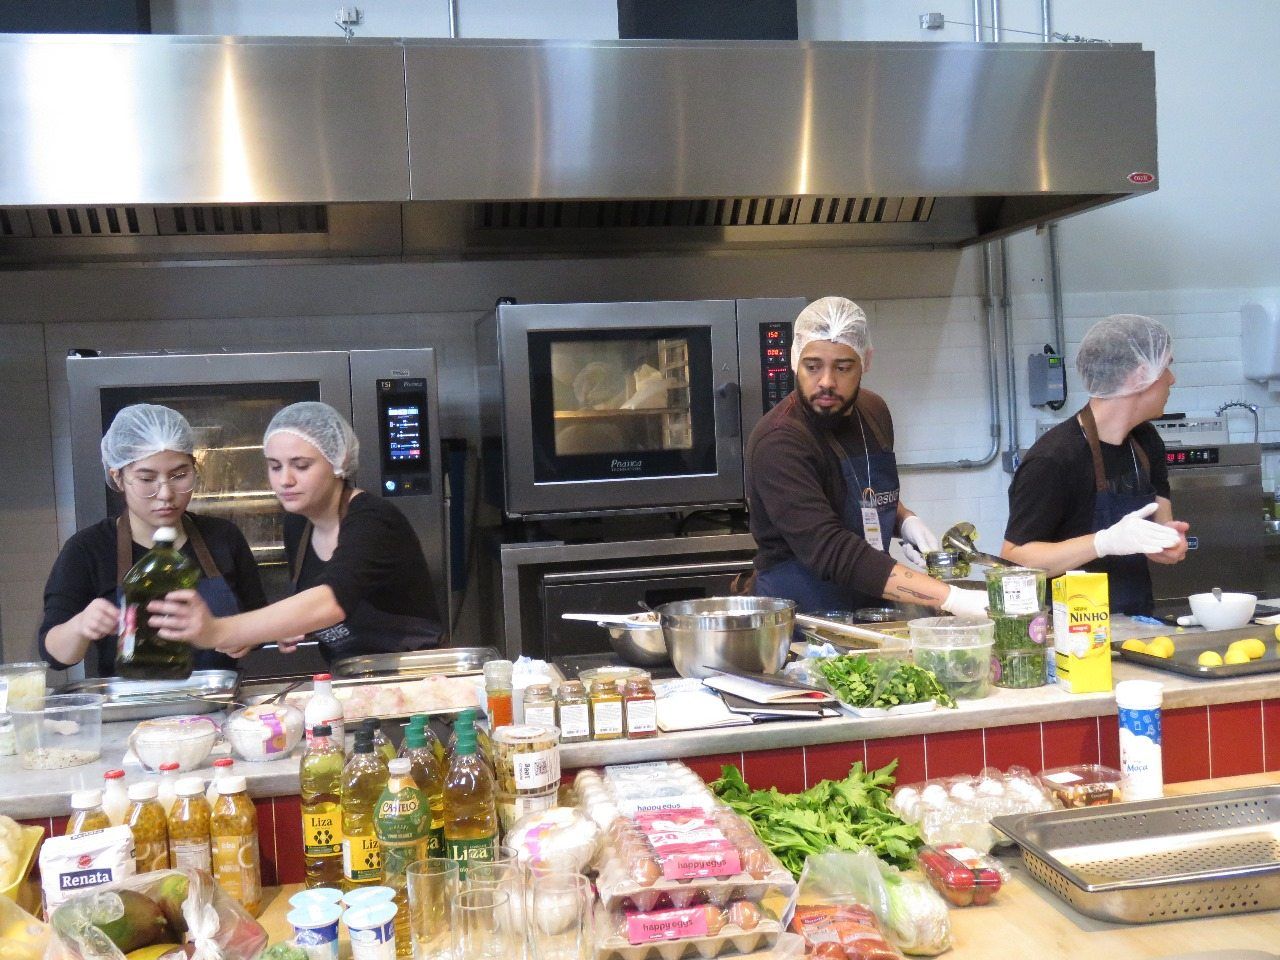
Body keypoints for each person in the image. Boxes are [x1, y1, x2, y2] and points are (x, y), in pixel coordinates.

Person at [746, 297, 989, 617]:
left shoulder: (874, 412)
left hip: (871, 605)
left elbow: (861, 491)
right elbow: (830, 549)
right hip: (802, 615)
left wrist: (905, 521)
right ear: (794, 361)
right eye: (813, 366)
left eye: (843, 367)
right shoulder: (780, 441)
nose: (827, 382)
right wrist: (950, 598)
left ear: (866, 361)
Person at [150, 401, 443, 662]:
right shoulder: (298, 524)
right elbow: (314, 605)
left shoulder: (373, 521)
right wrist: (283, 627)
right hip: (349, 675)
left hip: (410, 675)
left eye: (301, 466)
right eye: (275, 467)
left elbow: (331, 601)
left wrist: (219, 630)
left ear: (338, 462)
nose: (285, 480)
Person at [39, 404, 266, 676]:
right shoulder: (88, 549)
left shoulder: (223, 537)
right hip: (129, 700)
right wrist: (80, 625)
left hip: (215, 696)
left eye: (179, 476)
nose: (165, 494)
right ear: (118, 477)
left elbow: (259, 621)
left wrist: (244, 636)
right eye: (147, 479)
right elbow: (54, 655)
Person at [1001, 314, 1189, 615]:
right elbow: (1015, 560)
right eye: (1166, 366)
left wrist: (1166, 542)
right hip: (1070, 628)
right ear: (1140, 375)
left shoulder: (1146, 441)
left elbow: (1160, 521)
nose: (1172, 379)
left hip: (1136, 622)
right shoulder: (1053, 459)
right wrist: (1104, 542)